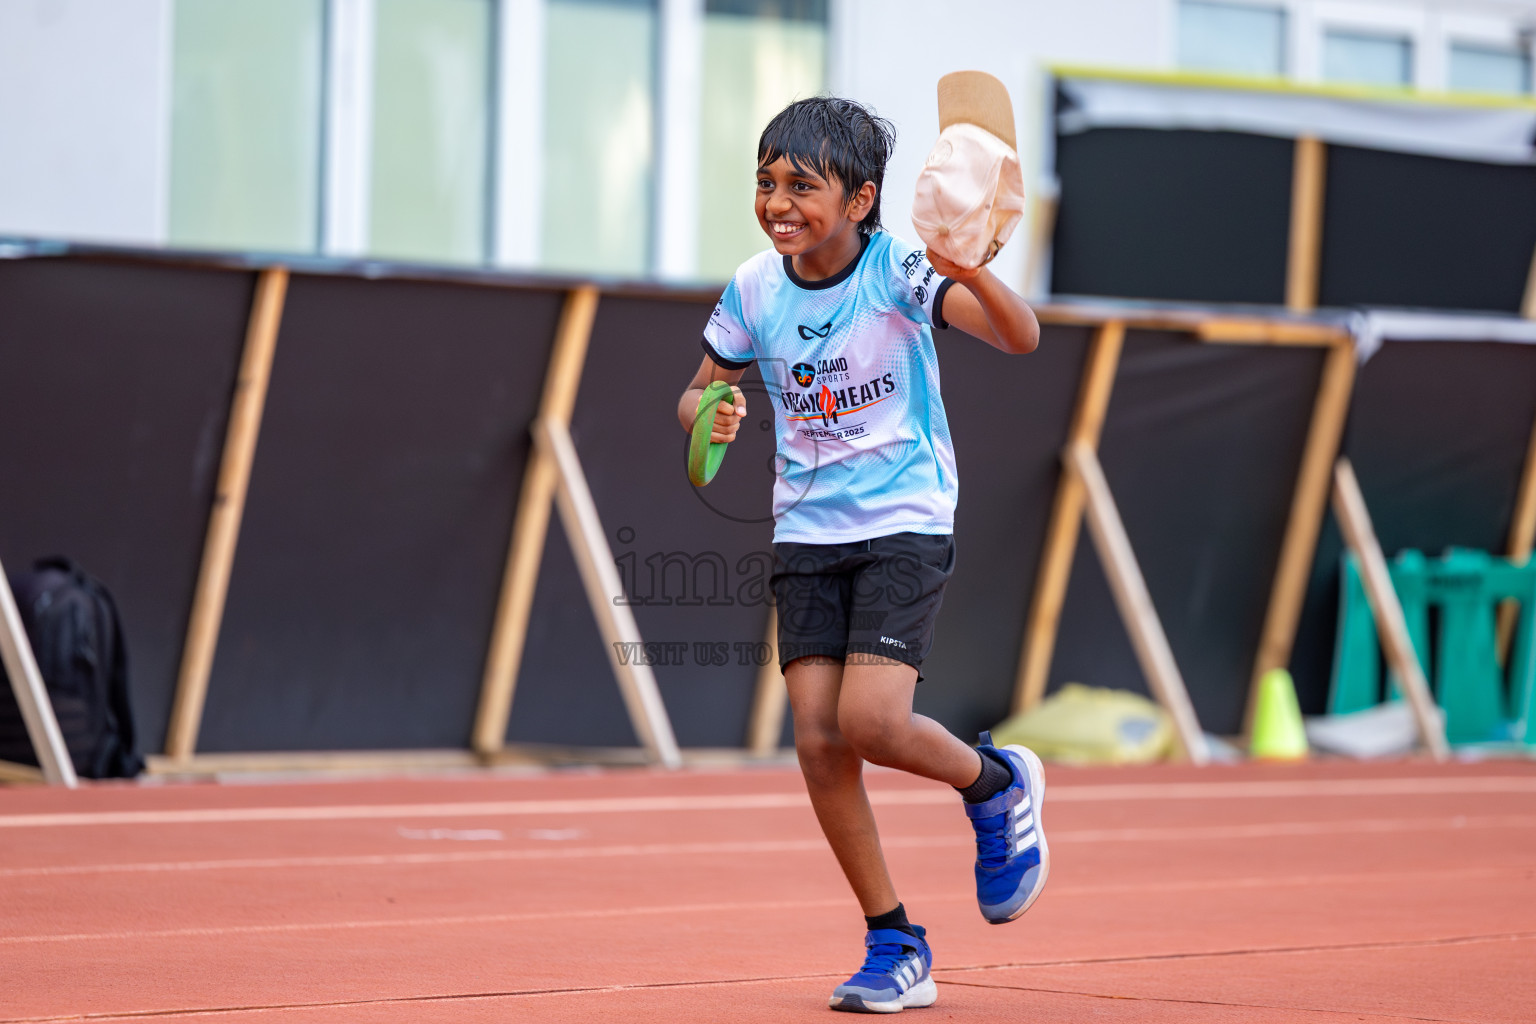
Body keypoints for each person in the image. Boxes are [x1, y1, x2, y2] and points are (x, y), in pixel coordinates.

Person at [676, 96, 1046, 1014]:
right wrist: (710, 416)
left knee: (873, 724)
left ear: (862, 198)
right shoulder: (755, 286)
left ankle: (996, 784)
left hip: (904, 520)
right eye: (766, 183)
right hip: (805, 531)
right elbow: (697, 397)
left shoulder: (898, 271)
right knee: (817, 741)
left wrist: (972, 266)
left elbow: (1019, 335)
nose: (778, 202)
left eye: (803, 186)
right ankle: (895, 942)